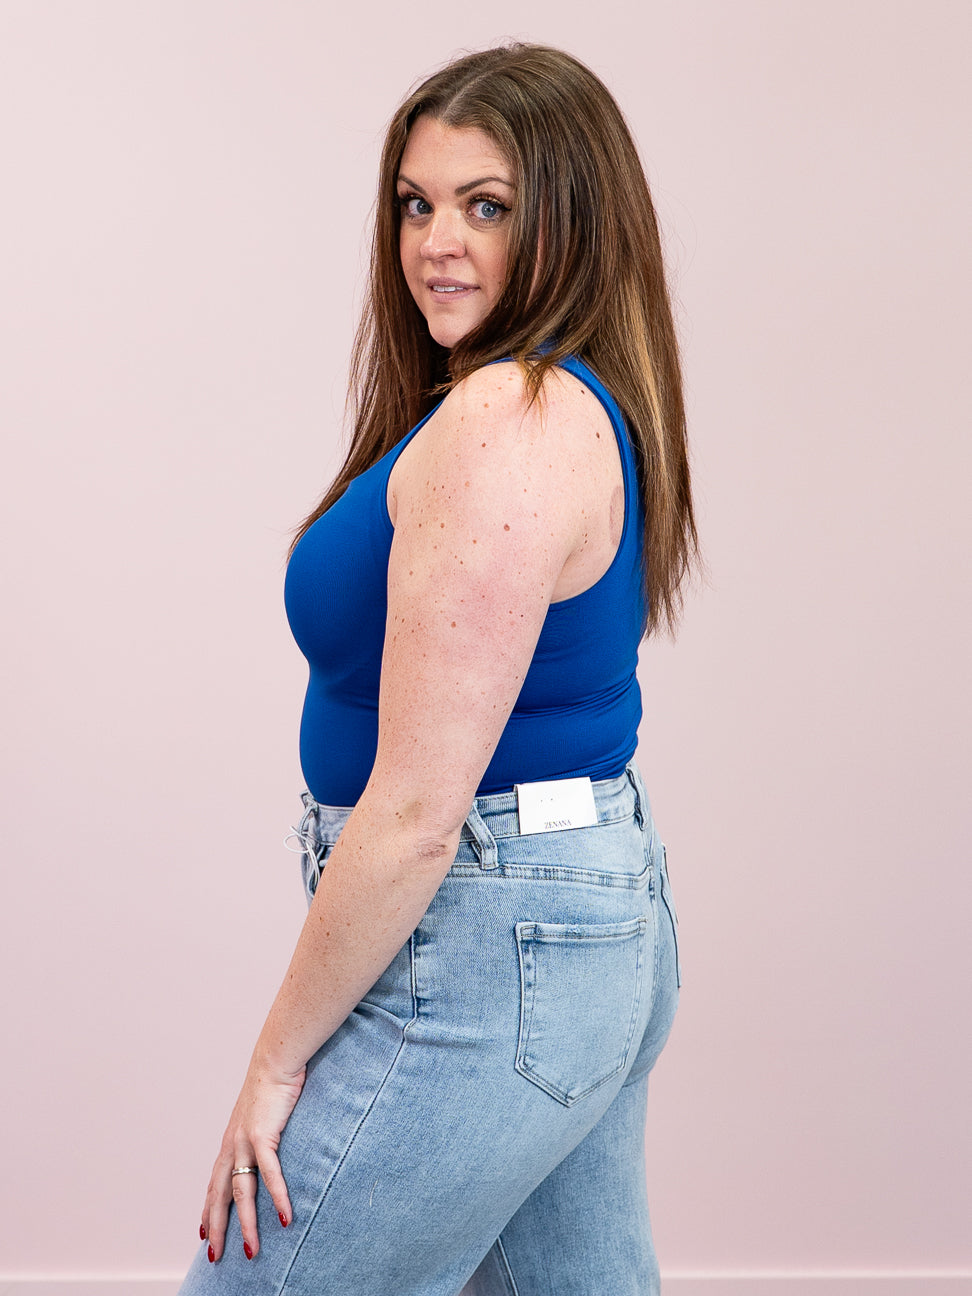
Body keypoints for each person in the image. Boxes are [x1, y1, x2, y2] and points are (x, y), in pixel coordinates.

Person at [180, 41, 697, 1296]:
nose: (437, 244)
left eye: (487, 206)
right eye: (417, 204)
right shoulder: (561, 404)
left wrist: (275, 1061)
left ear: (572, 220)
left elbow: (416, 812)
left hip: (484, 937)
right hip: (559, 924)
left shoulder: (508, 419)